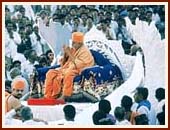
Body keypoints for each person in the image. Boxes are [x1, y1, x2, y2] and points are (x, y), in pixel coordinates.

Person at [44, 32, 94, 100]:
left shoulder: (85, 51)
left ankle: (65, 95)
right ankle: (48, 95)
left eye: (74, 43)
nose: (72, 44)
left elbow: (79, 65)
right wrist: (65, 53)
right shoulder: (73, 49)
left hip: (78, 69)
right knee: (50, 72)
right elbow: (64, 63)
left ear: (80, 43)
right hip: (68, 68)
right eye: (72, 42)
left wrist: (69, 53)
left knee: (68, 74)